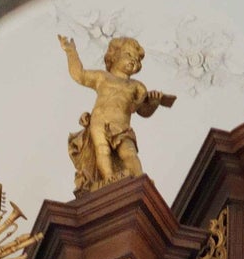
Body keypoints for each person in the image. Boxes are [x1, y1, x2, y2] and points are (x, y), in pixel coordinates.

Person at [59, 33, 176, 192]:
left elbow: (142, 110)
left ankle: (139, 177)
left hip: (122, 126)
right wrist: (71, 52)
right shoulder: (102, 77)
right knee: (102, 150)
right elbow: (79, 74)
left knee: (129, 153)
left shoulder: (137, 86)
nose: (133, 60)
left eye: (137, 59)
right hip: (99, 122)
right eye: (129, 54)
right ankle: (108, 179)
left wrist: (154, 103)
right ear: (113, 56)